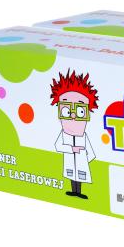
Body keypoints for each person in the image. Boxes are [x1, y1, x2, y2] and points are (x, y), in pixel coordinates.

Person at [50, 70, 99, 199]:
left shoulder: (84, 136)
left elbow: (91, 153)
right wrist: (72, 149)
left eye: (80, 111)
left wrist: (84, 158)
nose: (73, 116)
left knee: (80, 175)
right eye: (66, 110)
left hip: (81, 161)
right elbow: (57, 146)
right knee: (71, 175)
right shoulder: (63, 134)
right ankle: (74, 191)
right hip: (70, 160)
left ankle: (79, 192)